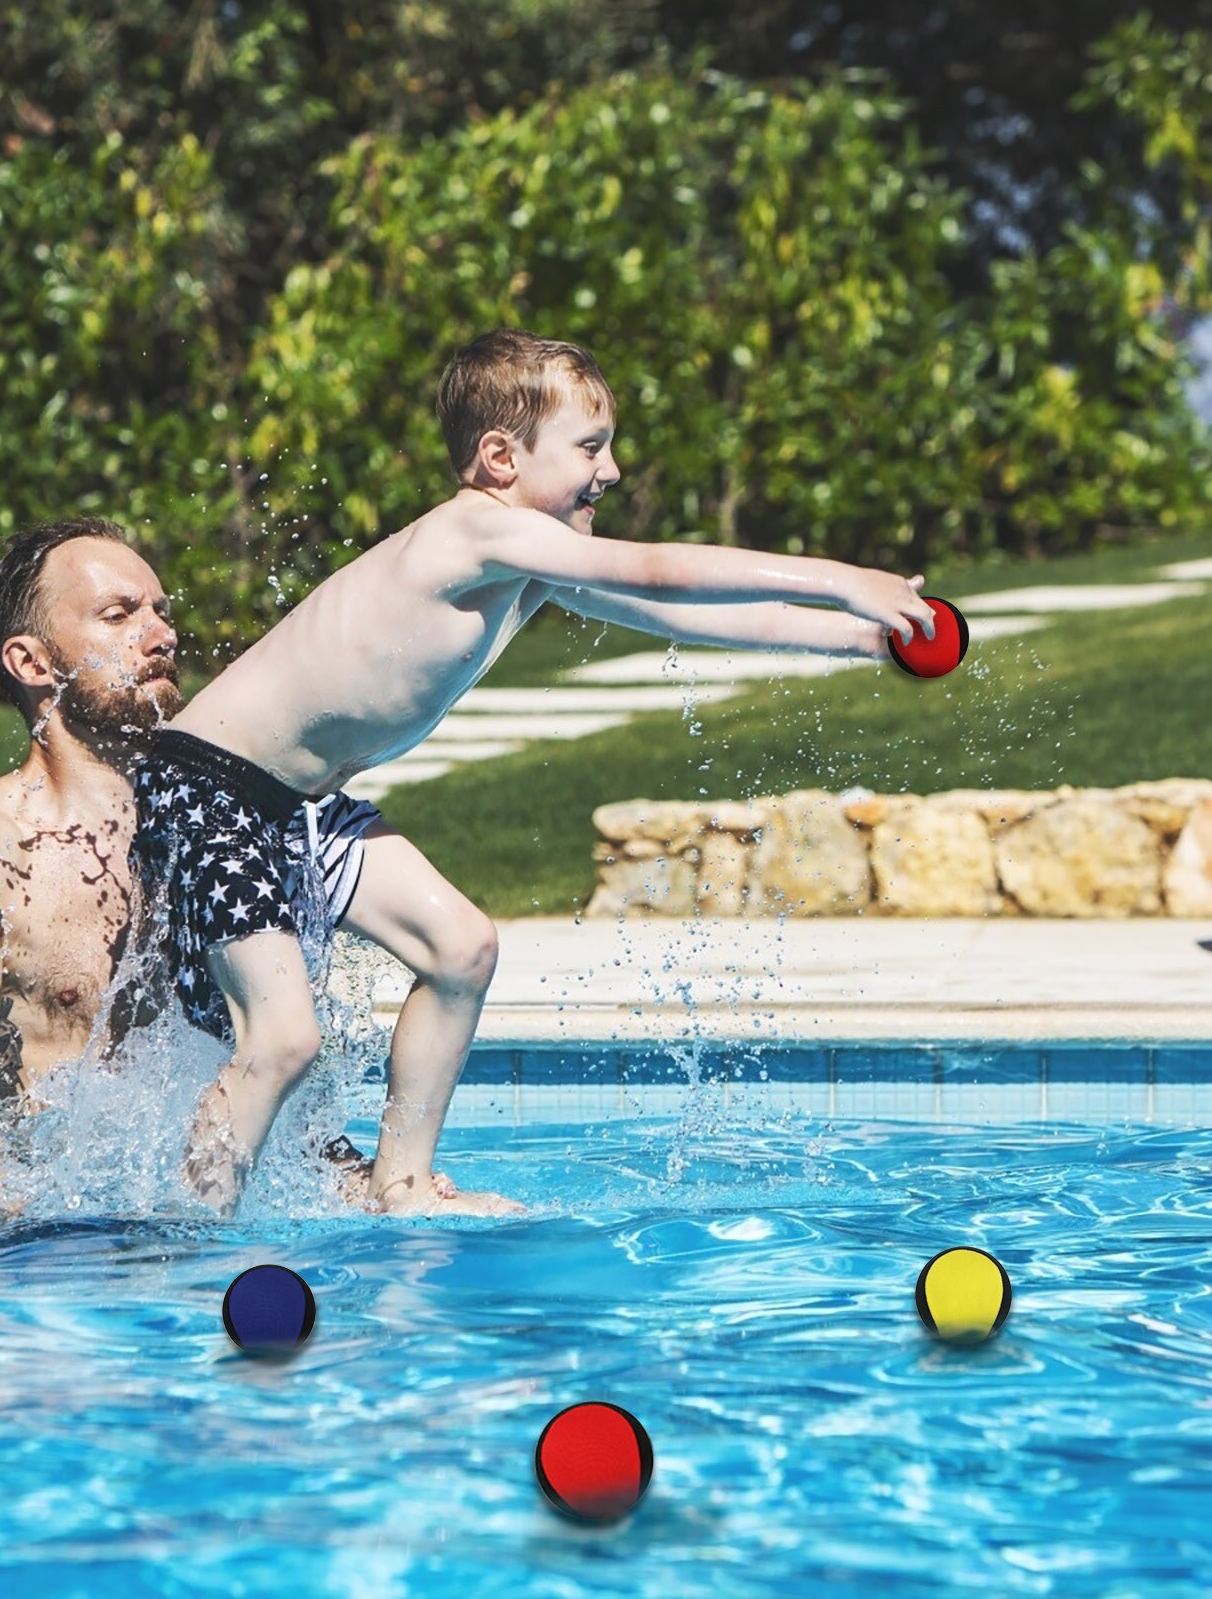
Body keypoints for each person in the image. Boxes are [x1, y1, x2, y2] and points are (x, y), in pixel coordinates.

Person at [133, 328, 938, 1221]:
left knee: (463, 950)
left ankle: (399, 1186)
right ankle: (185, 1242)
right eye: (591, 448)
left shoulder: (521, 564)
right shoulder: (477, 531)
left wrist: (868, 640)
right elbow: (656, 563)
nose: (614, 471)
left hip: (295, 807)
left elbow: (675, 607)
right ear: (499, 458)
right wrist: (846, 579)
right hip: (207, 786)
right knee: (280, 1041)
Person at [0, 518, 373, 1200]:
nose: (162, 636)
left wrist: (377, 1193)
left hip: (198, 1224)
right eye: (119, 616)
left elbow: (291, 1118)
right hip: (50, 1251)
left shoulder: (217, 831)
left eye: (161, 613)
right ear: (32, 663)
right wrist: (80, 1269)